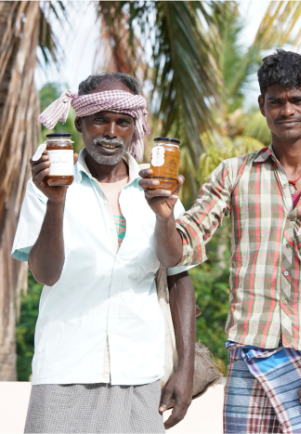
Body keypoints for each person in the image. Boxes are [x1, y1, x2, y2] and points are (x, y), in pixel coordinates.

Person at [140, 49, 301, 434]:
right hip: (248, 363)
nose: (287, 110)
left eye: (298, 100)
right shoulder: (233, 174)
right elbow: (179, 251)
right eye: (276, 101)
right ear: (262, 105)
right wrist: (165, 217)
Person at [12, 73, 197, 434]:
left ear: (135, 127)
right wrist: (56, 202)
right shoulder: (47, 186)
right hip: (65, 369)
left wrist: (185, 368)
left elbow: (179, 275)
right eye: (100, 119)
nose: (111, 131)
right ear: (80, 122)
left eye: (123, 122)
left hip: (139, 371)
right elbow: (45, 274)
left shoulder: (157, 185)